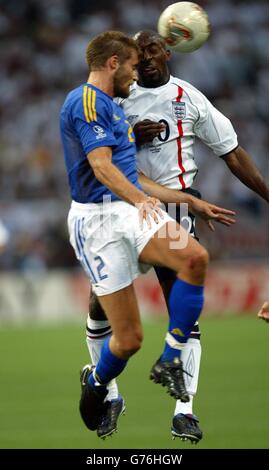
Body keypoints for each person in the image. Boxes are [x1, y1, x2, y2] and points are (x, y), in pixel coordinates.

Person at [85, 30, 269, 442]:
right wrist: (132, 136)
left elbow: (232, 151)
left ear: (168, 52)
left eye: (152, 51)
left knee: (183, 311)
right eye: (138, 55)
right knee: (101, 307)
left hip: (172, 212)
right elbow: (96, 159)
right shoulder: (113, 99)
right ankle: (109, 393)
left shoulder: (189, 98)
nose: (146, 60)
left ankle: (184, 410)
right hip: (119, 211)